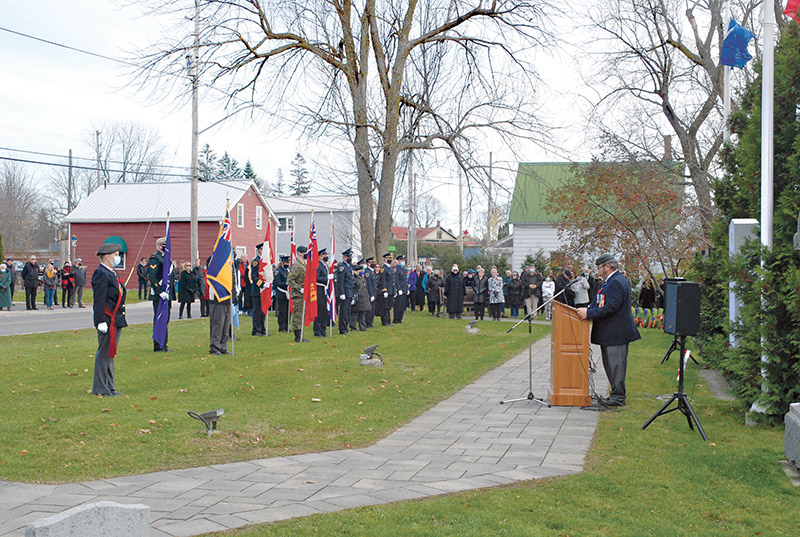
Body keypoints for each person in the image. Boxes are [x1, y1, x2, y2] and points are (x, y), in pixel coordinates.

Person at [577, 254, 641, 408]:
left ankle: (618, 397)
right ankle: (615, 394)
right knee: (610, 364)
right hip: (610, 333)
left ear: (607, 266)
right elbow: (600, 301)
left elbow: (611, 306)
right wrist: (588, 308)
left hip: (616, 332)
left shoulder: (617, 282)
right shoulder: (610, 281)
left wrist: (589, 313)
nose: (597, 271)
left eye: (599, 267)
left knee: (616, 364)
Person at [91, 243, 127, 397]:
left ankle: (110, 387)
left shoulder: (111, 272)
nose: (118, 257)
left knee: (110, 354)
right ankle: (100, 387)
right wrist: (100, 320)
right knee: (104, 353)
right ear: (107, 256)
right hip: (107, 319)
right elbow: (99, 299)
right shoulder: (101, 273)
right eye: (116, 254)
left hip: (115, 318)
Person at [147, 237, 174, 352]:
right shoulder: (155, 258)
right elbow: (153, 277)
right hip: (160, 294)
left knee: (165, 319)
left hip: (167, 294)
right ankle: (158, 345)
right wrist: (160, 292)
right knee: (160, 318)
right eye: (164, 245)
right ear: (159, 246)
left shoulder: (167, 258)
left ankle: (164, 343)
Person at [207, 255, 232, 355]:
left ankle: (223, 346)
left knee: (226, 325)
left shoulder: (228, 259)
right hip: (218, 297)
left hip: (227, 297)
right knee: (218, 323)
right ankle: (215, 346)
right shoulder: (213, 259)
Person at [288, 245, 309, 342]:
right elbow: (290, 280)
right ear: (299, 253)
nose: (306, 254)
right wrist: (299, 288)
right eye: (304, 252)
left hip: (304, 294)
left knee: (302, 316)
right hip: (298, 295)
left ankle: (301, 336)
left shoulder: (304, 264)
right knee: (298, 316)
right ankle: (297, 337)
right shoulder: (297, 265)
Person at [336, 248, 355, 334]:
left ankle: (345, 327)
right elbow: (340, 282)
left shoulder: (349, 267)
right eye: (348, 257)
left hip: (350, 292)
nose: (350, 258)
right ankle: (342, 328)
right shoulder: (342, 268)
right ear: (344, 258)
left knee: (347, 311)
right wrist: (342, 293)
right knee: (344, 312)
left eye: (350, 256)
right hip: (345, 293)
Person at [250, 244, 267, 336]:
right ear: (259, 250)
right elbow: (254, 277)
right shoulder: (256, 261)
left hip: (264, 290)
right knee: (257, 311)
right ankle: (256, 329)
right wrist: (263, 284)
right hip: (257, 290)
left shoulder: (265, 260)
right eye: (262, 249)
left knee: (263, 311)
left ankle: (262, 328)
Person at [314, 248, 331, 337]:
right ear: (320, 256)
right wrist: (327, 278)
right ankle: (317, 330)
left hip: (326, 291)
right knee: (319, 311)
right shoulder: (318, 266)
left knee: (325, 311)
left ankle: (323, 329)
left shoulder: (325, 266)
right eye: (324, 255)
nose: (326, 257)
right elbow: (316, 278)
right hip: (320, 290)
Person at [376, 253, 395, 325]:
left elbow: (392, 280)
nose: (390, 260)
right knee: (384, 307)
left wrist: (394, 290)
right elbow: (383, 280)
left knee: (389, 307)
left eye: (391, 258)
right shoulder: (383, 268)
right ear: (385, 259)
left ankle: (388, 321)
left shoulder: (390, 268)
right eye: (388, 258)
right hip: (386, 291)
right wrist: (384, 290)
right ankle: (384, 321)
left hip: (391, 290)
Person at [351, 259, 371, 331]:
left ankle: (362, 327)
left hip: (364, 298)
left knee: (362, 314)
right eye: (359, 271)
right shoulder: (353, 279)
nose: (361, 273)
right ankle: (353, 327)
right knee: (354, 314)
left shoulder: (362, 279)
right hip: (357, 298)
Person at [274, 255, 290, 332]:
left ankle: (287, 326)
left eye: (288, 262)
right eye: (286, 262)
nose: (287, 263)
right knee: (282, 311)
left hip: (288, 293)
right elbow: (276, 282)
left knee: (288, 311)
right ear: (282, 262)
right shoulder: (278, 271)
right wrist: (286, 283)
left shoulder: (288, 271)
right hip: (281, 293)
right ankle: (282, 326)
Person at [392, 255, 408, 323]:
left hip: (404, 289)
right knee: (398, 306)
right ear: (398, 261)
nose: (403, 262)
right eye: (401, 260)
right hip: (399, 290)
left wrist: (407, 289)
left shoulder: (403, 269)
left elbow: (405, 280)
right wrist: (399, 289)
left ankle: (400, 319)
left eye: (403, 261)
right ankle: (396, 319)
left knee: (402, 306)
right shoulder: (396, 269)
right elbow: (396, 280)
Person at [363, 257, 377, 328]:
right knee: (369, 309)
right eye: (372, 263)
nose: (373, 264)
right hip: (369, 294)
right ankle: (368, 322)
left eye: (374, 262)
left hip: (374, 293)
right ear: (368, 264)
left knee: (373, 309)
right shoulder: (367, 272)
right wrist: (371, 295)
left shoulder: (372, 272)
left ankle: (370, 322)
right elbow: (369, 285)